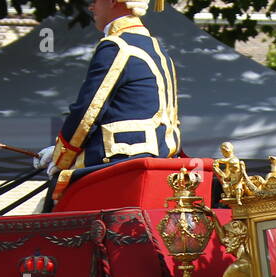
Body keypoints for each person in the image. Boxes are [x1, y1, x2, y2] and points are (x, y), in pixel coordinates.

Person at [35, 0, 180, 202]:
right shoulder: (156, 48)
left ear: (113, 2)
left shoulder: (117, 45)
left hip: (117, 164)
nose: (91, 7)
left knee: (48, 206)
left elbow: (88, 111)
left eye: (95, 1)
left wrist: (62, 156)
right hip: (154, 160)